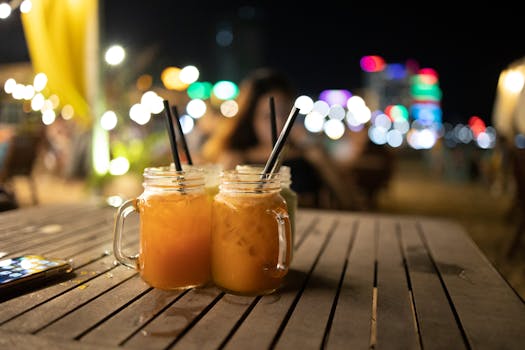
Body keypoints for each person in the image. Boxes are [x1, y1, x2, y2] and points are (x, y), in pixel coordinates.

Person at [201, 67, 361, 209]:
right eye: (268, 116)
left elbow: (351, 202)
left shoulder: (310, 155)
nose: (279, 123)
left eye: (285, 114)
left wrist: (323, 162)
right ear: (251, 119)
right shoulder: (237, 160)